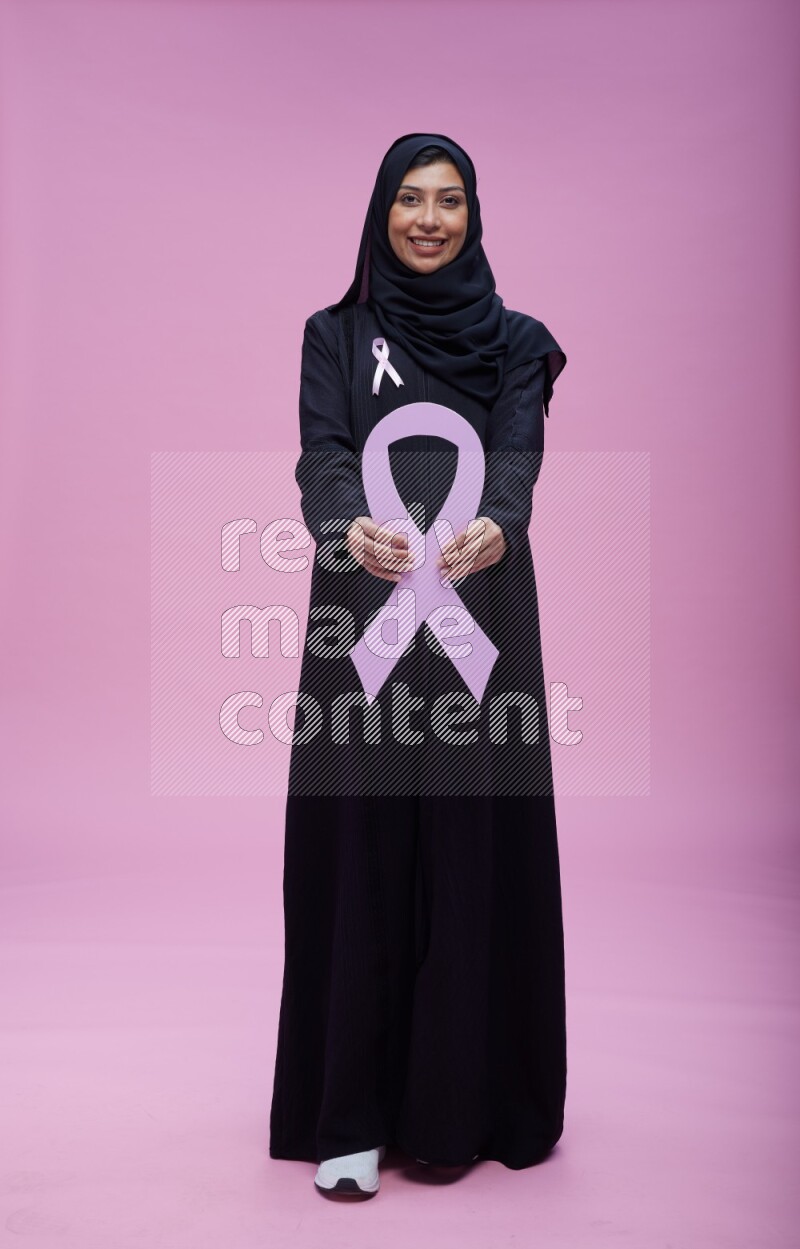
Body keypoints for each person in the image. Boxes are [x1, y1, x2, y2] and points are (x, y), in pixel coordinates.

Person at [269, 132, 568, 1198]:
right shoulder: (333, 334)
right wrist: (347, 524)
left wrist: (499, 516)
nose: (429, 219)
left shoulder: (517, 341)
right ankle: (345, 1113)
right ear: (379, 212)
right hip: (365, 626)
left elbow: (518, 447)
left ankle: (454, 1109)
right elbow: (322, 449)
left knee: (468, 844)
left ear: (472, 216)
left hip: (478, 628)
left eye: (449, 202)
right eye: (409, 199)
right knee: (360, 850)